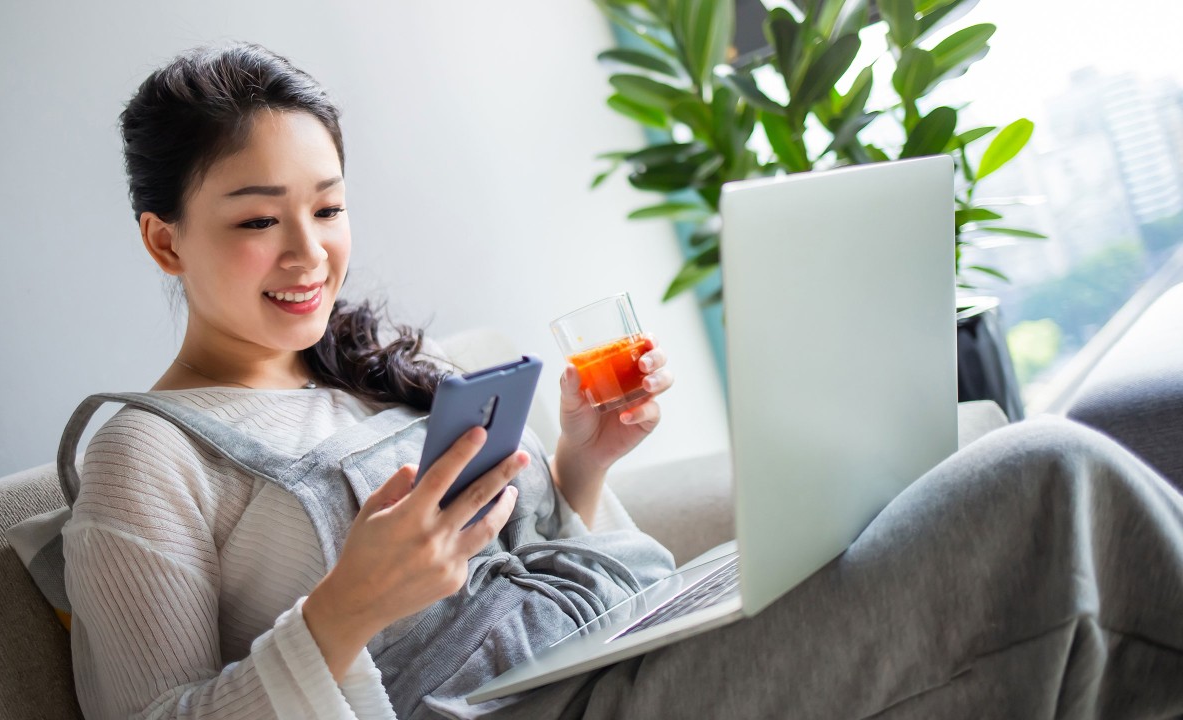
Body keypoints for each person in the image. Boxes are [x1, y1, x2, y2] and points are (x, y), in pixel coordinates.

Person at [60, 41, 1183, 720]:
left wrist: (584, 470)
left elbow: (561, 575)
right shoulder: (147, 453)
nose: (308, 254)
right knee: (1045, 481)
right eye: (258, 221)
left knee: (1022, 512)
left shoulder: (392, 379)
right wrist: (343, 610)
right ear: (164, 242)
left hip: (632, 650)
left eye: (328, 206)